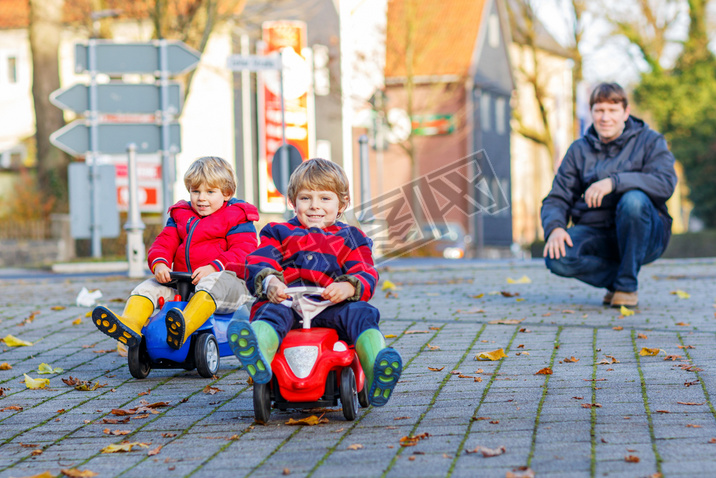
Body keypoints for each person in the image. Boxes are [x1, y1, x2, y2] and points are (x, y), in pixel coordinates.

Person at [226, 158, 402, 407]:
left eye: (325, 199)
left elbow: (365, 269)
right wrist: (271, 283)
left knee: (362, 313)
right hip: (289, 304)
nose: (314, 206)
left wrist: (349, 286)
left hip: (333, 307)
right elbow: (260, 260)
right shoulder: (278, 232)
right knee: (269, 312)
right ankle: (259, 353)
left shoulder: (351, 237)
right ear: (292, 201)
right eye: (306, 198)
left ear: (342, 203)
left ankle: (376, 369)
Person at [92, 156, 259, 349]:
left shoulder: (237, 216)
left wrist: (214, 267)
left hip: (228, 288)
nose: (201, 198)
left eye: (210, 192)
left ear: (227, 193)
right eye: (195, 191)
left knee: (212, 282)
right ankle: (130, 326)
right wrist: (160, 263)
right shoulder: (181, 214)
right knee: (148, 287)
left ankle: (183, 327)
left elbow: (244, 251)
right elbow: (164, 241)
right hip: (185, 286)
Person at [541, 82, 677, 308]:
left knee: (634, 200)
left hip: (645, 234)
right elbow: (557, 198)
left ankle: (626, 286)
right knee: (556, 257)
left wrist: (615, 182)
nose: (605, 117)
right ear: (591, 112)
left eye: (612, 110)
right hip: (598, 234)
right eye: (599, 110)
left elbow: (665, 183)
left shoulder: (650, 141)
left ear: (626, 112)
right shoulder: (578, 150)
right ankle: (624, 278)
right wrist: (554, 227)